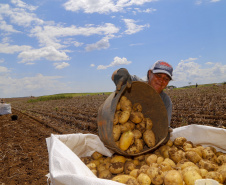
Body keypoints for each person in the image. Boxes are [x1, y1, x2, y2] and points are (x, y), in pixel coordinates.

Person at [111, 60, 173, 133]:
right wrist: (121, 73)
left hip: (144, 134)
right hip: (114, 125)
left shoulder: (166, 101)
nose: (161, 80)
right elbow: (114, 75)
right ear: (150, 74)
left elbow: (164, 126)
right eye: (158, 75)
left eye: (166, 79)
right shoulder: (135, 83)